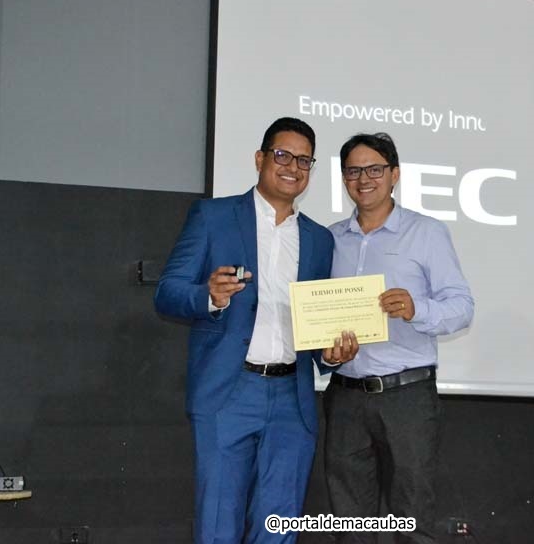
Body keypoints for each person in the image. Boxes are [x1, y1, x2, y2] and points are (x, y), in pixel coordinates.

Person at [154, 117, 357, 544]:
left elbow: (316, 322)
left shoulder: (319, 239)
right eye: (283, 155)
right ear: (260, 159)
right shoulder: (214, 217)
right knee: (218, 525)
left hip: (293, 399)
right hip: (229, 391)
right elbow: (168, 292)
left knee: (279, 527)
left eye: (304, 160)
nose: (293, 167)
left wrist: (329, 355)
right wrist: (210, 296)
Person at [324, 132, 474, 543]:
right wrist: (328, 353)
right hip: (345, 396)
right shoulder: (330, 238)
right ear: (343, 178)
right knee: (349, 524)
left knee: (412, 520)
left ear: (395, 174)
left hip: (406, 397)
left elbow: (462, 307)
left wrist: (416, 308)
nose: (364, 179)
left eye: (374, 169)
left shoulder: (426, 232)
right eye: (353, 171)